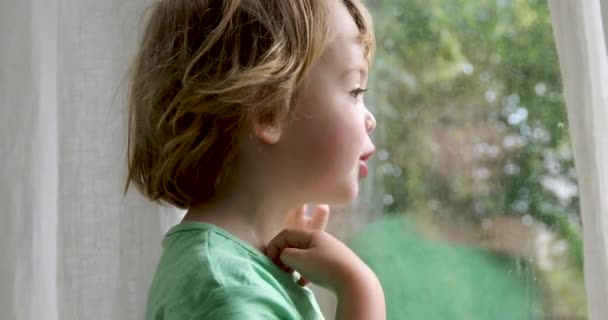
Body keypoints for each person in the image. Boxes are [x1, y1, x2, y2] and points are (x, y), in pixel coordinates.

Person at [125, 0, 385, 318]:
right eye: (355, 91)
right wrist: (360, 291)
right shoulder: (229, 292)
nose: (370, 118)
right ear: (267, 111)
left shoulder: (226, 269)